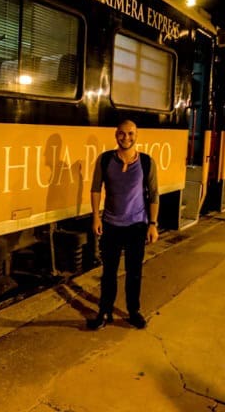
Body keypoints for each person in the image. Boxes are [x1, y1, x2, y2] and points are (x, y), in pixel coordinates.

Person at [87, 119, 159, 330]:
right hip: (110, 224)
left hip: (137, 226)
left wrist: (152, 224)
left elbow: (154, 194)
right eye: (122, 134)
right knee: (108, 273)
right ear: (115, 134)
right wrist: (96, 217)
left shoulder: (146, 162)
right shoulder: (105, 159)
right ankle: (104, 311)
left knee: (134, 272)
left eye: (130, 134)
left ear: (136, 135)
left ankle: (133, 311)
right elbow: (95, 189)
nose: (126, 138)